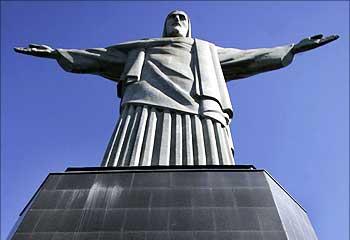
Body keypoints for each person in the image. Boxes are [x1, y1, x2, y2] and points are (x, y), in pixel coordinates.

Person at [15, 11, 338, 167]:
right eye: (172, 17)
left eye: (182, 17)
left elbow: (247, 57)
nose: (177, 19)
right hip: (145, 100)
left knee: (209, 157)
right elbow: (98, 57)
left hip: (200, 103)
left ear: (189, 26)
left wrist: (294, 47)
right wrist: (58, 52)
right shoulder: (142, 47)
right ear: (165, 26)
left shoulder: (207, 50)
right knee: (134, 150)